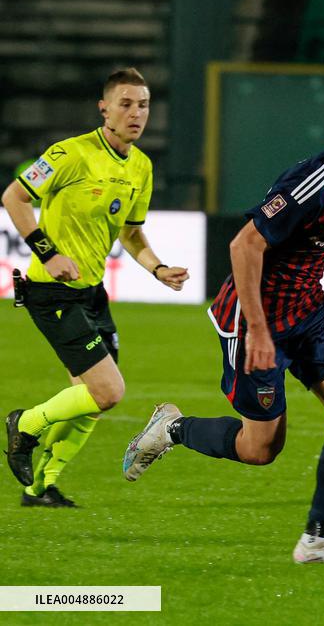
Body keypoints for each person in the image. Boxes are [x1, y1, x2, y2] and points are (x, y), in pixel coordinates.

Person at [121, 91, 324, 568]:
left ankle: (316, 542)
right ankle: (171, 429)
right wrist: (258, 331)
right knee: (261, 449)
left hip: (308, 313)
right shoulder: (313, 182)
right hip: (251, 319)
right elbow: (244, 245)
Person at [2, 67, 189, 506]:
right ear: (104, 108)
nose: (135, 113)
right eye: (125, 104)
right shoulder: (70, 153)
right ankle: (24, 424)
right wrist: (48, 252)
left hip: (90, 293)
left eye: (142, 104)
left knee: (92, 400)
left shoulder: (140, 166)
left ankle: (40, 487)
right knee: (110, 391)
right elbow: (14, 197)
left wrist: (157, 269)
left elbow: (130, 232)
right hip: (50, 291)